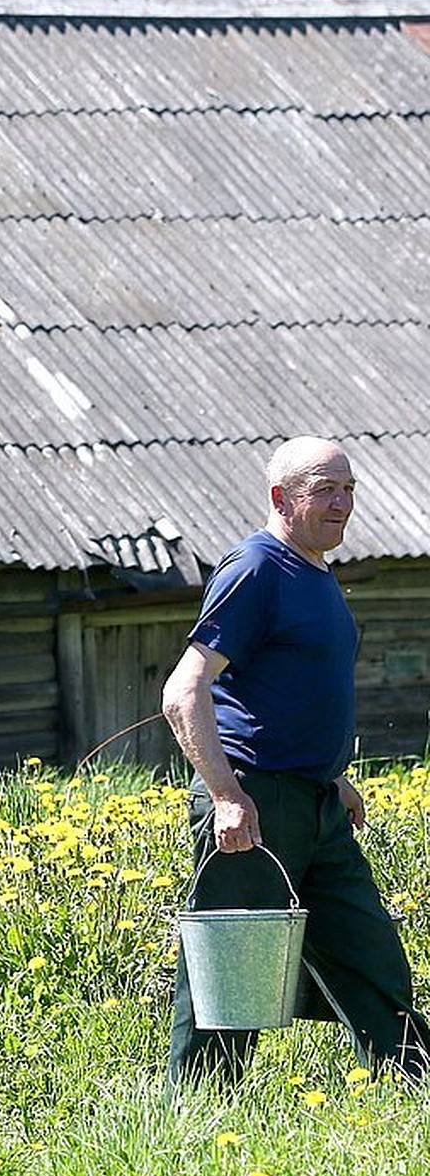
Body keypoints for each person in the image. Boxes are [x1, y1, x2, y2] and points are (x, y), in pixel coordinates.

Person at [161, 435, 430, 1087]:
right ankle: (196, 1117)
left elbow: (289, 688)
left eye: (349, 489)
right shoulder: (256, 568)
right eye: (325, 491)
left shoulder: (316, 573)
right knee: (232, 974)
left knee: (371, 957)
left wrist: (334, 776)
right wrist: (226, 795)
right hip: (255, 801)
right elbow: (183, 691)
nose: (342, 504)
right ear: (282, 498)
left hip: (316, 805)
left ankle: (414, 1089)